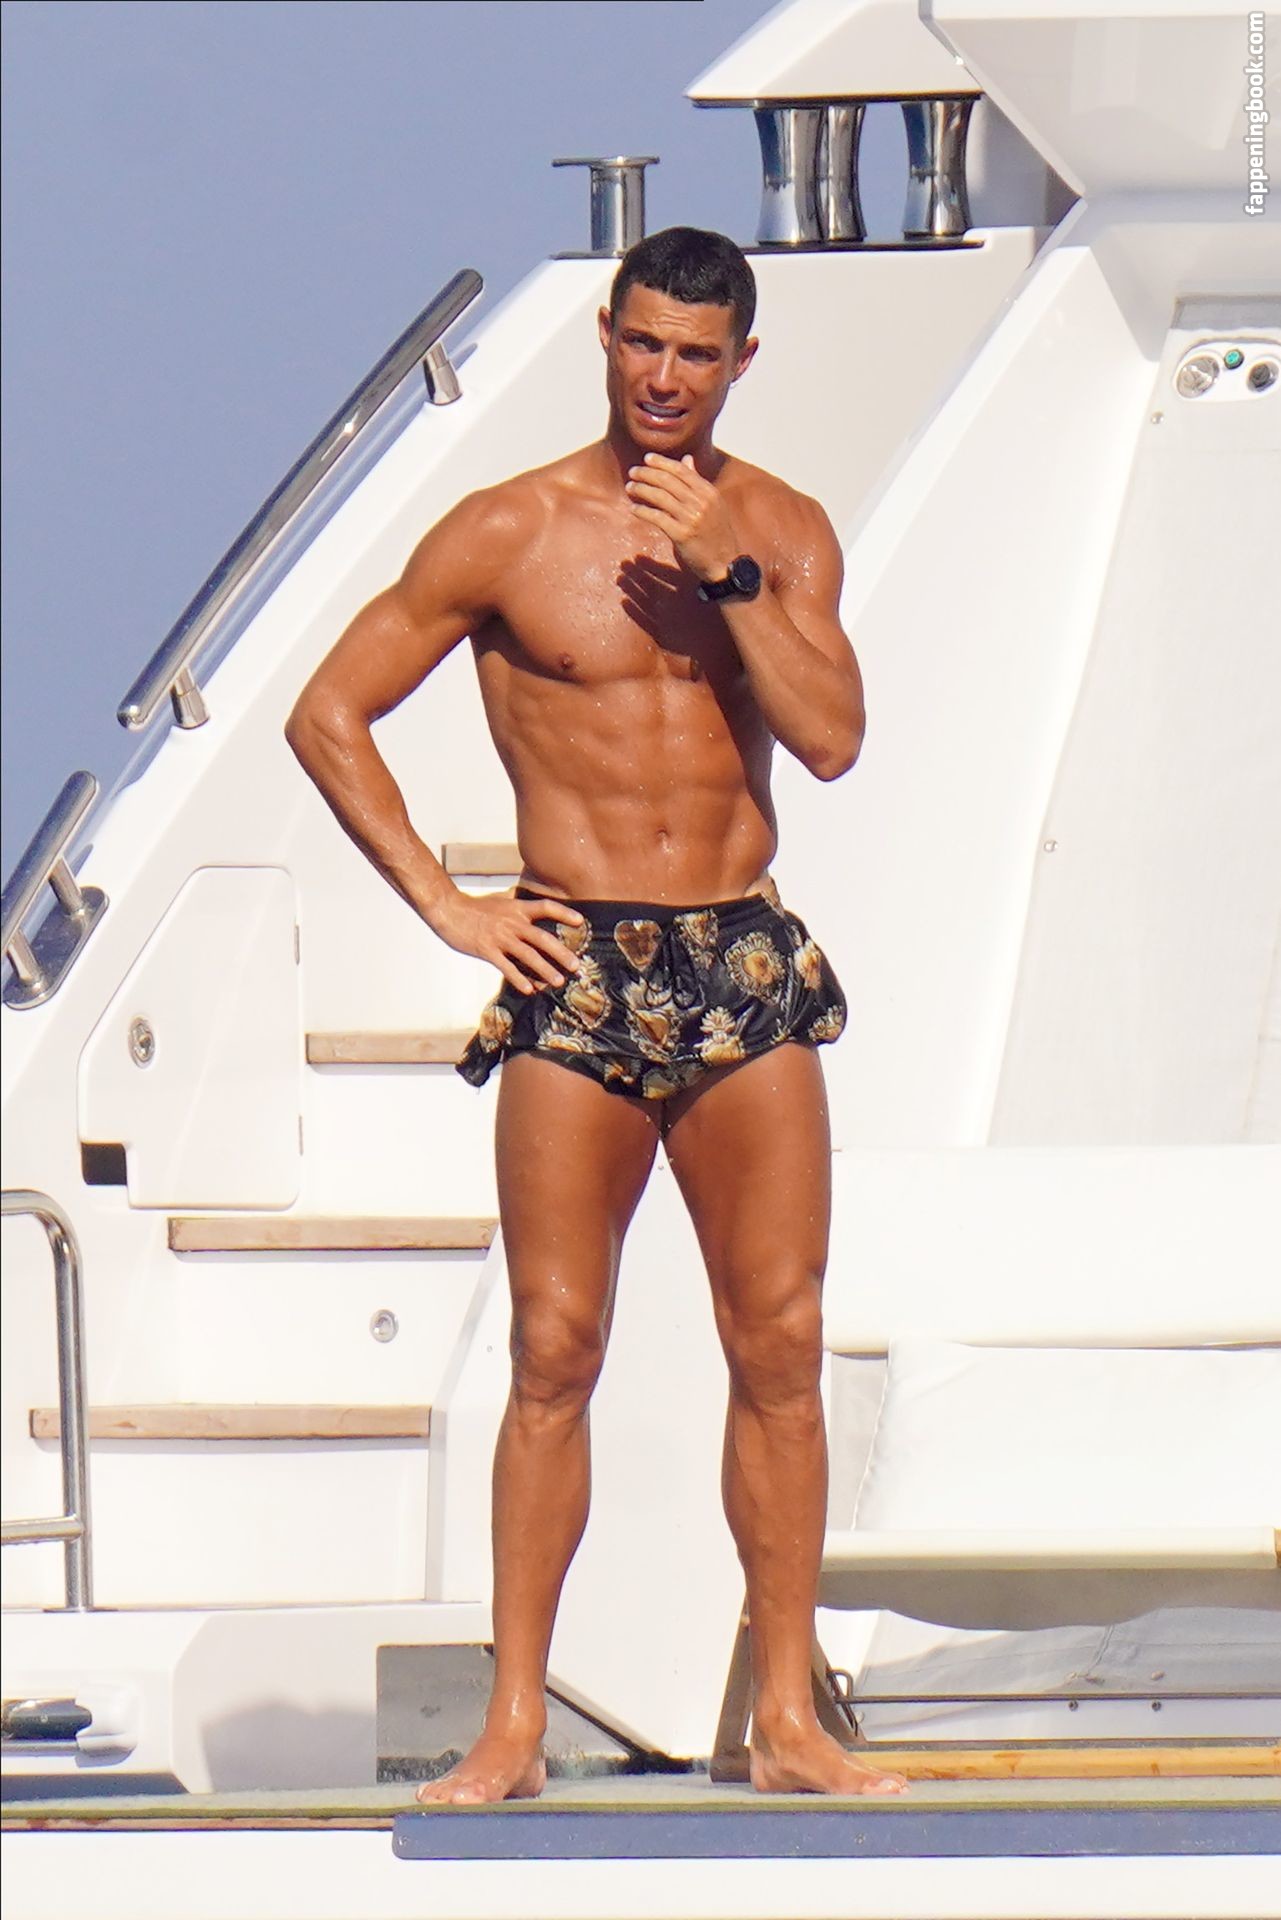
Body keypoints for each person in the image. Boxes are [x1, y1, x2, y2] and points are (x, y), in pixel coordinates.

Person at [285, 227, 904, 1802]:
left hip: (737, 961)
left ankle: (784, 1721)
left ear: (740, 362)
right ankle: (512, 1727)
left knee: (779, 1340)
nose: (663, 378)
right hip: (580, 967)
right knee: (554, 1345)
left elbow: (831, 738)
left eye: (695, 354)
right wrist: (450, 906)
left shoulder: (781, 529)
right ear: (606, 339)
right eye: (641, 344)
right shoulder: (511, 527)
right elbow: (328, 711)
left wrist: (728, 575)